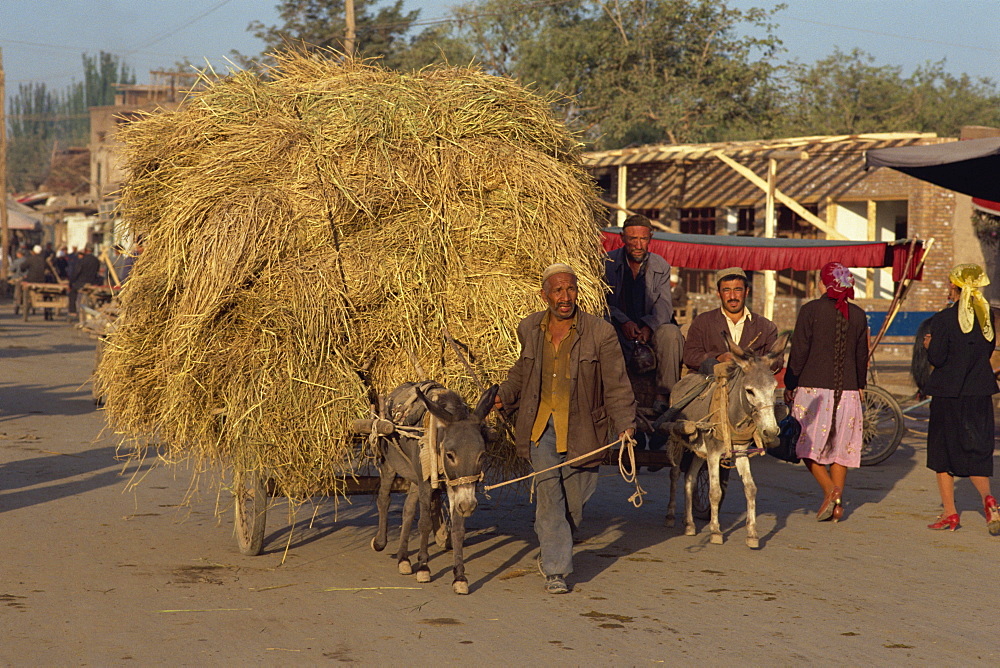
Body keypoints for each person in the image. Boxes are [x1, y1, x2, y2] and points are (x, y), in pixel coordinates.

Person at [495, 263, 636, 594]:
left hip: (583, 430)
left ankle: (553, 536)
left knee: (575, 499)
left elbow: (616, 383)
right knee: (550, 496)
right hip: (540, 427)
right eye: (557, 290)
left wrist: (625, 424)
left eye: (570, 289)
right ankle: (556, 569)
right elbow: (522, 370)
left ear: (577, 292)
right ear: (545, 295)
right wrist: (502, 395)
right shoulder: (530, 328)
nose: (565, 297)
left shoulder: (600, 333)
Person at [783, 262, 868, 522]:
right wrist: (861, 385)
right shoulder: (858, 314)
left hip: (813, 391)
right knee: (840, 448)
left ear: (823, 284)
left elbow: (799, 351)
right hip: (850, 392)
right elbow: (861, 355)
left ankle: (831, 491)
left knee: (805, 445)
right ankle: (838, 505)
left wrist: (790, 382)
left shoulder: (810, 310)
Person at [922, 264, 1000, 534]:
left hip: (949, 393)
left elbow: (938, 358)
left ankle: (950, 513)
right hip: (979, 391)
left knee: (943, 453)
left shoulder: (943, 318)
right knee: (976, 448)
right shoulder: (986, 315)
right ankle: (989, 501)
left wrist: (930, 345)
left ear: (955, 288)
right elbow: (988, 349)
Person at [604, 214, 685, 410]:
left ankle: (663, 397)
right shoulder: (607, 263)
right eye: (633, 239)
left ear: (650, 238)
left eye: (643, 239)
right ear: (622, 238)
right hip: (618, 328)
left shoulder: (660, 266)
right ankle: (613, 397)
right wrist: (623, 322)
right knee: (603, 330)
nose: (638, 245)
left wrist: (649, 326)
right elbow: (603, 302)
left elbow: (664, 306)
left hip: (649, 330)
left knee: (671, 333)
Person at [683, 267, 782, 376]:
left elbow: (777, 361)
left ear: (746, 291)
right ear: (718, 293)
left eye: (738, 290)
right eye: (726, 290)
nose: (732, 296)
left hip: (748, 387)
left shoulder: (766, 327)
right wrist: (718, 358)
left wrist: (755, 362)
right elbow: (690, 356)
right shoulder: (702, 321)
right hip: (710, 385)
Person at [68, 245, 102, 318]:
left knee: (72, 293)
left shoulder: (82, 260)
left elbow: (76, 272)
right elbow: (97, 272)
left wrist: (71, 282)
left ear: (86, 251)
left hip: (81, 283)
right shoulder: (96, 260)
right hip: (92, 282)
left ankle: (72, 311)